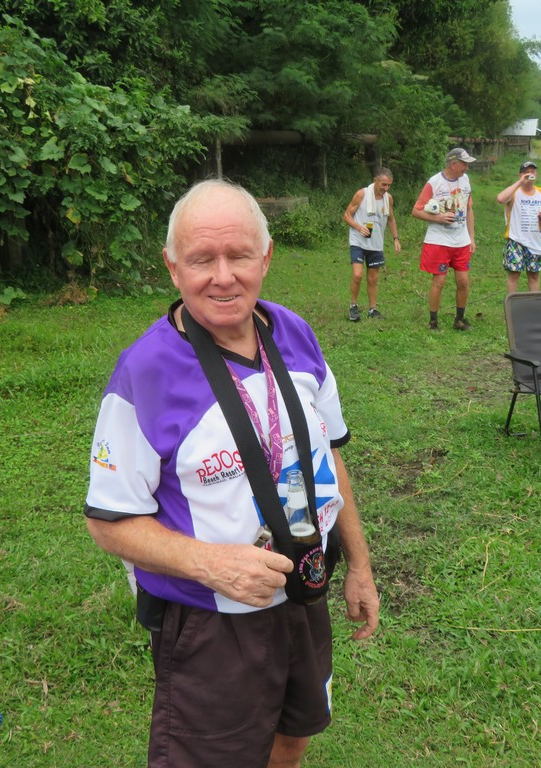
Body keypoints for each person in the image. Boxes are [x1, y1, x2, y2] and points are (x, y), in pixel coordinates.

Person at [84, 179, 380, 768]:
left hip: (304, 588)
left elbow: (328, 456)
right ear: (173, 268)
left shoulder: (294, 333)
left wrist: (360, 566)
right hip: (212, 620)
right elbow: (109, 522)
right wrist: (212, 565)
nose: (223, 277)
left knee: (294, 736)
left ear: (265, 258)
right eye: (202, 259)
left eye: (239, 255)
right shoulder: (146, 372)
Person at [412, 147, 477, 331]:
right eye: (464, 164)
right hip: (439, 241)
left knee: (463, 281)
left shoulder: (465, 180)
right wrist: (439, 218)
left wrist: (471, 237)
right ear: (453, 164)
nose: (467, 168)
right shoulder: (434, 182)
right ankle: (433, 322)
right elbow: (416, 210)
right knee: (439, 282)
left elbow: (469, 208)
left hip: (461, 241)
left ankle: (460, 320)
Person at [342, 168, 402, 321]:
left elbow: (391, 219)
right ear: (375, 180)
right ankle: (353, 307)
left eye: (389, 185)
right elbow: (347, 215)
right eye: (383, 184)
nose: (386, 188)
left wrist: (396, 238)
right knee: (357, 274)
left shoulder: (388, 198)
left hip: (376, 243)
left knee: (373, 277)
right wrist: (359, 227)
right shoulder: (361, 194)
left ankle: (372, 310)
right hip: (358, 241)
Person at [495, 160, 541, 293]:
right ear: (520, 175)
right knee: (514, 275)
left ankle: (534, 303)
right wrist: (520, 182)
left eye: (533, 171)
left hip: (536, 242)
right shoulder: (515, 192)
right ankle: (512, 304)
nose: (530, 174)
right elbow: (500, 199)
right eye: (526, 172)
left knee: (534, 276)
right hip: (516, 241)